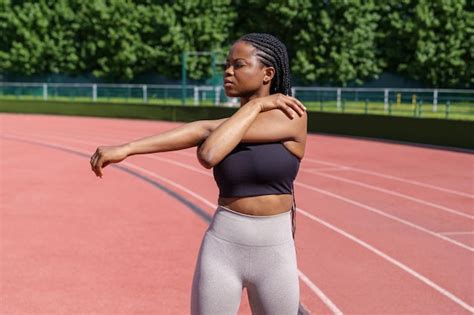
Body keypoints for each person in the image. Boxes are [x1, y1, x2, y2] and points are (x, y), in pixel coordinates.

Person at [90, 33, 307, 315]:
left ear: (268, 73)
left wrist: (255, 105)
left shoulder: (293, 116)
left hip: (275, 252)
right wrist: (127, 148)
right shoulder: (228, 125)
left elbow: (209, 151)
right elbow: (204, 131)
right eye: (226, 65)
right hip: (223, 248)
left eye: (238, 65)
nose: (228, 71)